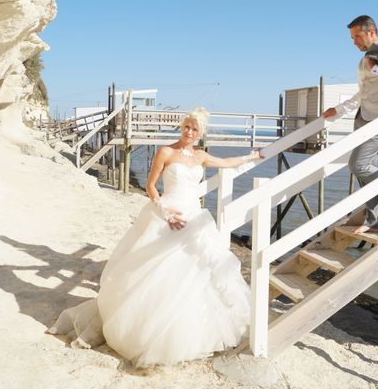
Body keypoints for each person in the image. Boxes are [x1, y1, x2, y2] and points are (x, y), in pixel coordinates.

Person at [48, 107, 262, 367]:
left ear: (200, 133)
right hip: (167, 214)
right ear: (181, 127)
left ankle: (191, 331)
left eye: (195, 129)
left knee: (197, 270)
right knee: (158, 271)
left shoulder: (200, 155)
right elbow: (151, 186)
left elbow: (227, 163)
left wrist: (252, 157)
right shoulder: (165, 152)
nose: (190, 132)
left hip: (194, 216)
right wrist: (165, 212)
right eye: (187, 127)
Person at [322, 15, 378, 234]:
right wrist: (339, 109)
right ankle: (371, 220)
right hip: (364, 116)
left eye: (357, 36)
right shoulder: (366, 58)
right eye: (352, 37)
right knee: (364, 173)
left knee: (358, 165)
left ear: (371, 32)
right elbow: (363, 92)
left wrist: (376, 68)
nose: (354, 41)